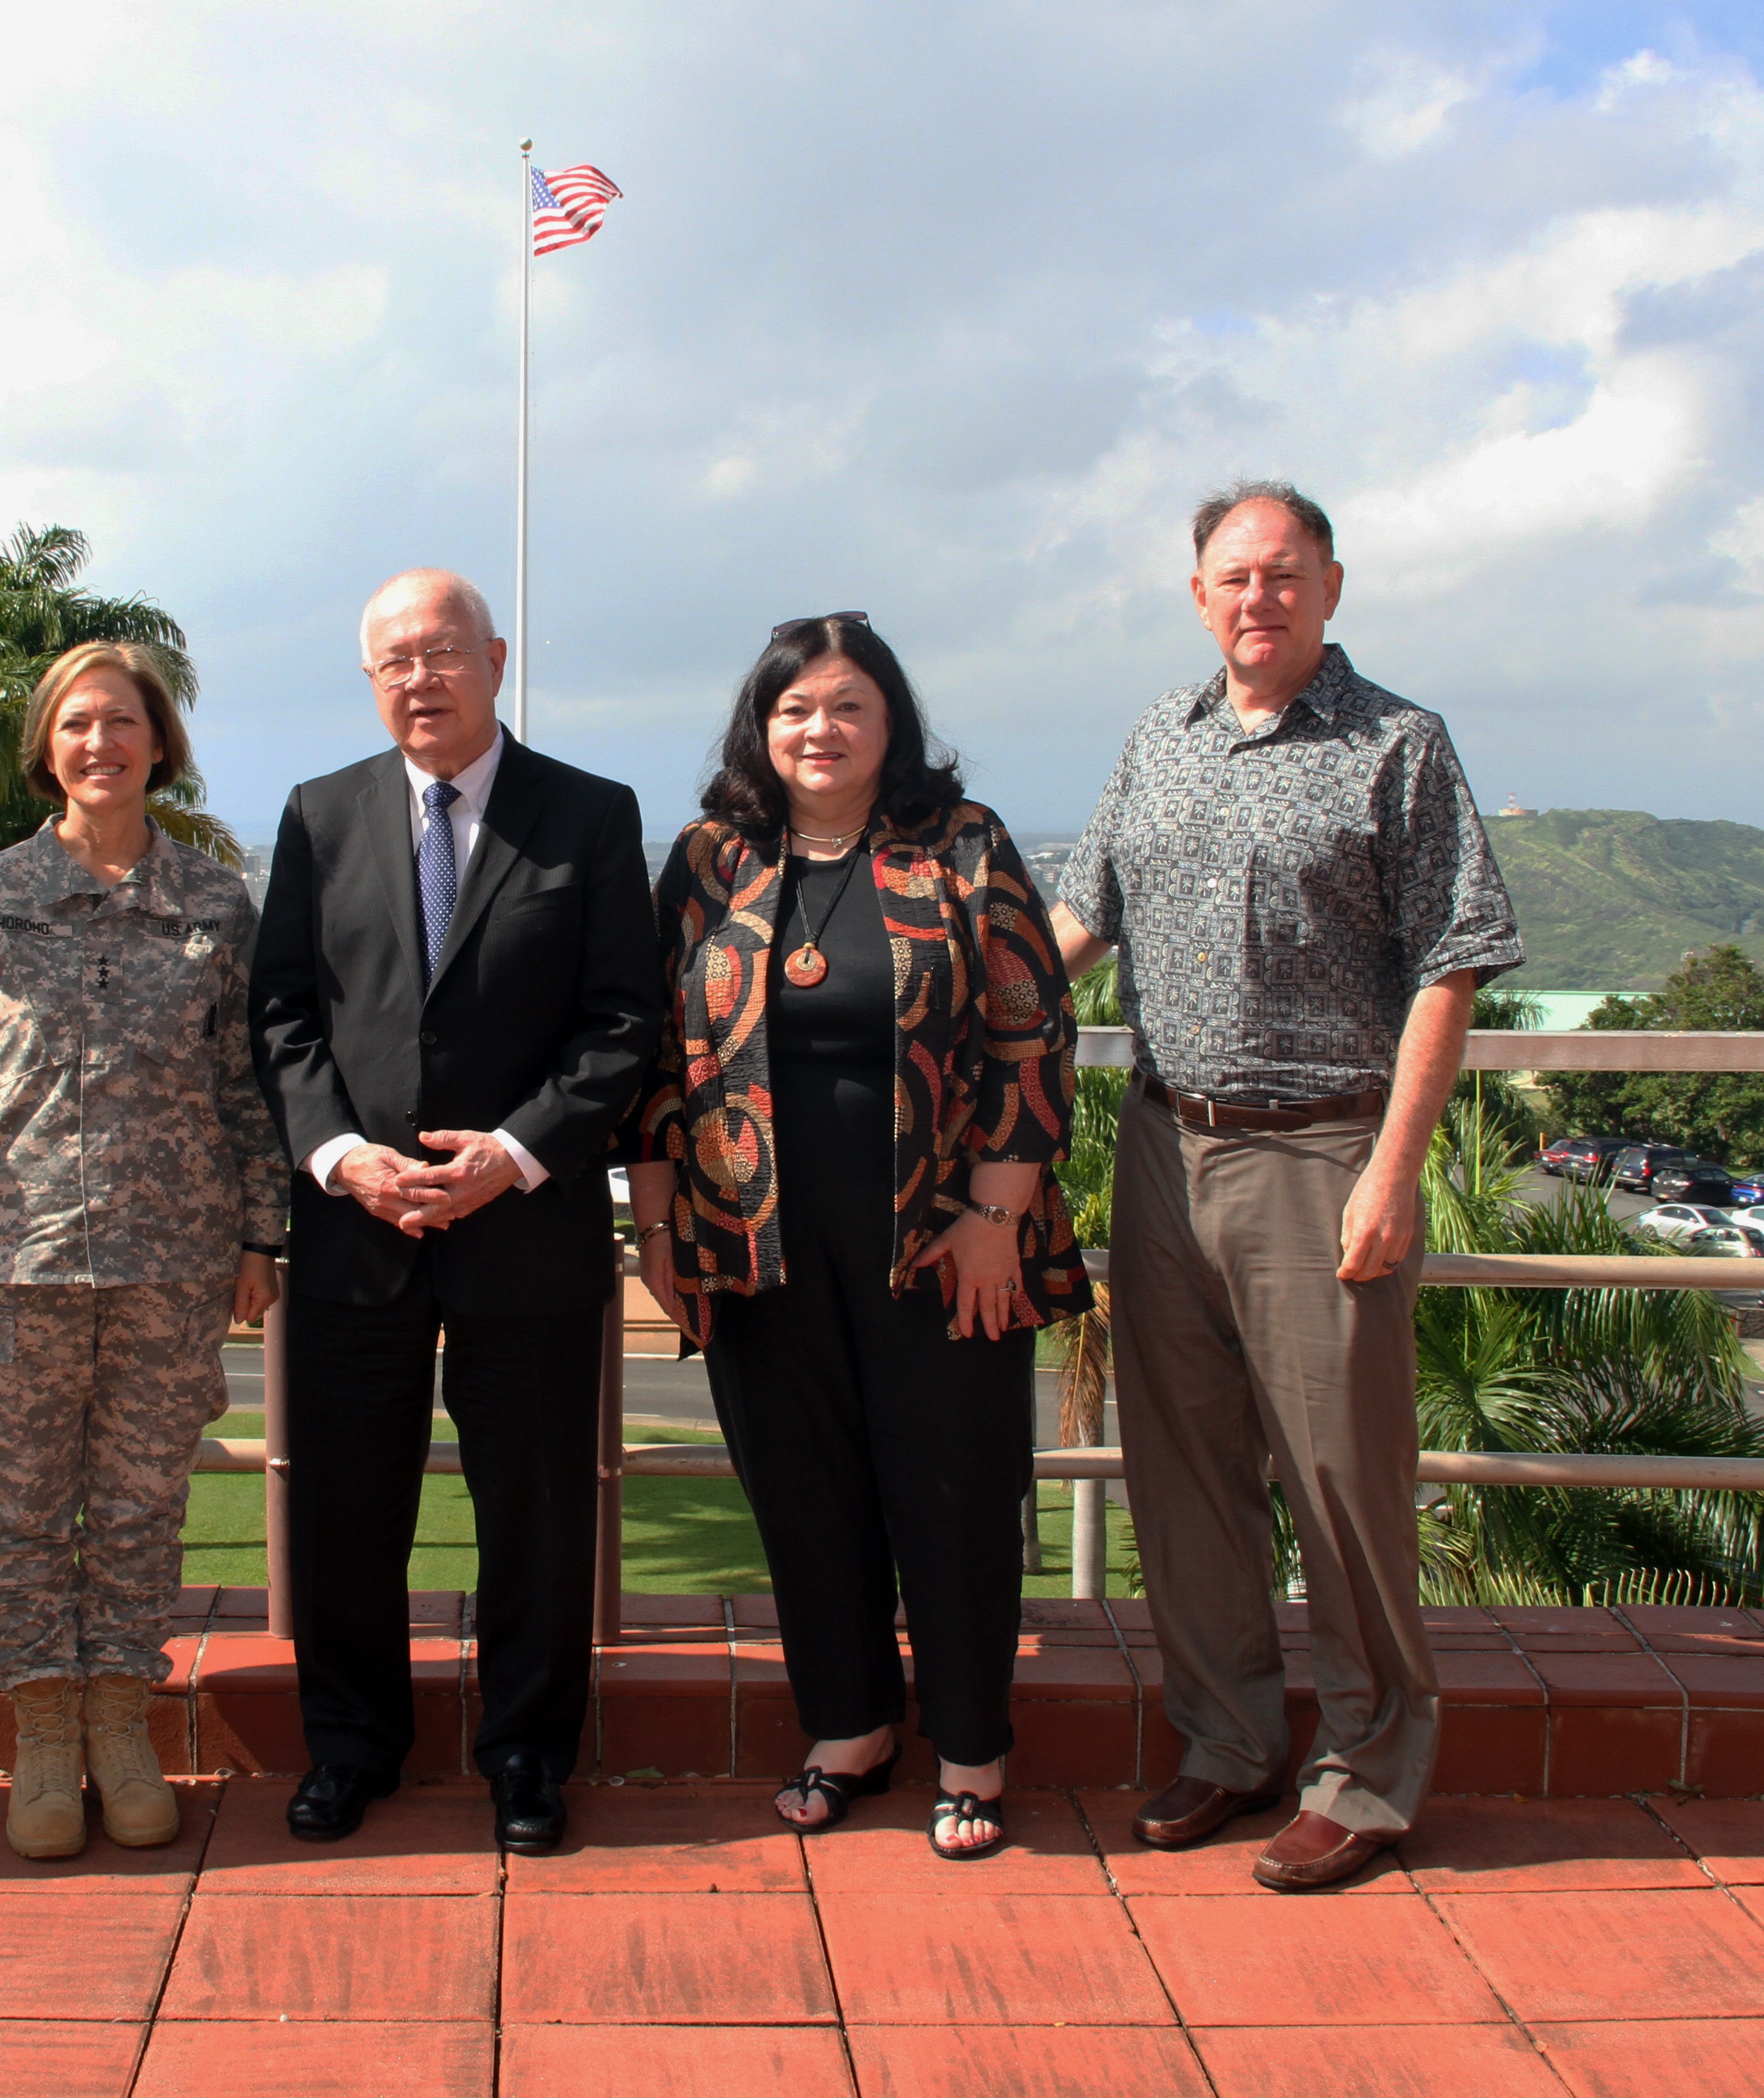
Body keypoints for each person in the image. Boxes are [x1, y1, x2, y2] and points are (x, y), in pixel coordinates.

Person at [1051, 481, 1522, 1892]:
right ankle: (1229, 1740)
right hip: (1158, 1142)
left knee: (1339, 1481)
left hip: (1325, 1152)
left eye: (1284, 573)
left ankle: (1370, 1776)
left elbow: (1456, 960)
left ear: (1330, 587)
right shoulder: (1160, 737)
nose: (1258, 597)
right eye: (1233, 577)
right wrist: (943, 982)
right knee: (1184, 1470)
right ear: (1198, 596)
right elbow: (1083, 918)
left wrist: (1395, 1167)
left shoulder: (1398, 744)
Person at [626, 614, 1090, 1859]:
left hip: (944, 1242)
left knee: (953, 1494)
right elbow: (654, 1054)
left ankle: (973, 1749)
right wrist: (658, 1224)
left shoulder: (963, 845)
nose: (819, 731)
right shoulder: (715, 860)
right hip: (754, 1243)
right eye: (796, 711)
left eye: (847, 708)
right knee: (803, 1492)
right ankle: (849, 1728)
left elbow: (1033, 1035)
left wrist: (997, 1217)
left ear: (892, 723)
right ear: (760, 728)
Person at [249, 569, 659, 1851]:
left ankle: (529, 1755)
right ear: (371, 683)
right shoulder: (319, 817)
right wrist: (337, 1158)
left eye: (441, 653)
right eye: (392, 663)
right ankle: (353, 1749)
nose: (418, 680)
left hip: (524, 1230)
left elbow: (623, 1022)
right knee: (345, 1511)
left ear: (495, 656)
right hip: (356, 1233)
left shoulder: (590, 817)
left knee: (535, 1512)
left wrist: (521, 1153)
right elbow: (282, 1015)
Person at [0, 641, 287, 1860]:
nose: (99, 745)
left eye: (122, 723)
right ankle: (43, 1735)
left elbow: (248, 1087)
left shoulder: (216, 907)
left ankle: (122, 1722)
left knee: (143, 1504)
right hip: (8, 1264)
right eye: (75, 726)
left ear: (161, 742)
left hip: (173, 1265)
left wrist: (262, 1231)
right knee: (17, 1509)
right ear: (46, 749)